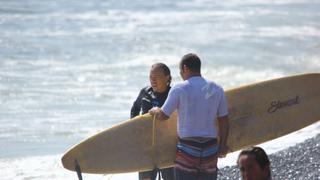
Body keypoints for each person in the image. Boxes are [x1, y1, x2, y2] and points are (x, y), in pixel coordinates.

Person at [149, 53, 229, 180]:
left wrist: (155, 110)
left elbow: (163, 115)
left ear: (185, 68)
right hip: (210, 147)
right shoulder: (216, 88)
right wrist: (223, 144)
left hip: (188, 147)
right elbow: (224, 119)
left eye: (180, 71)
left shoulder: (180, 88)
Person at [130, 63, 174, 180]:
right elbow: (135, 109)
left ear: (167, 78)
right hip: (146, 146)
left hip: (167, 146)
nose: (153, 80)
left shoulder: (173, 94)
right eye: (151, 77)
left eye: (157, 77)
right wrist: (135, 128)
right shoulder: (145, 92)